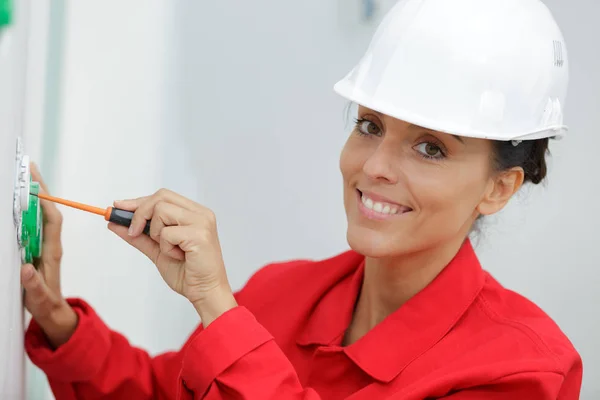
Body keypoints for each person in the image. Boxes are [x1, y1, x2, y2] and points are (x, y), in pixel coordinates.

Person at [22, 0, 582, 399]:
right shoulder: (278, 295)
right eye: (369, 126)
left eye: (430, 148)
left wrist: (220, 310)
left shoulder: (523, 369)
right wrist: (59, 323)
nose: (374, 166)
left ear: (498, 187)